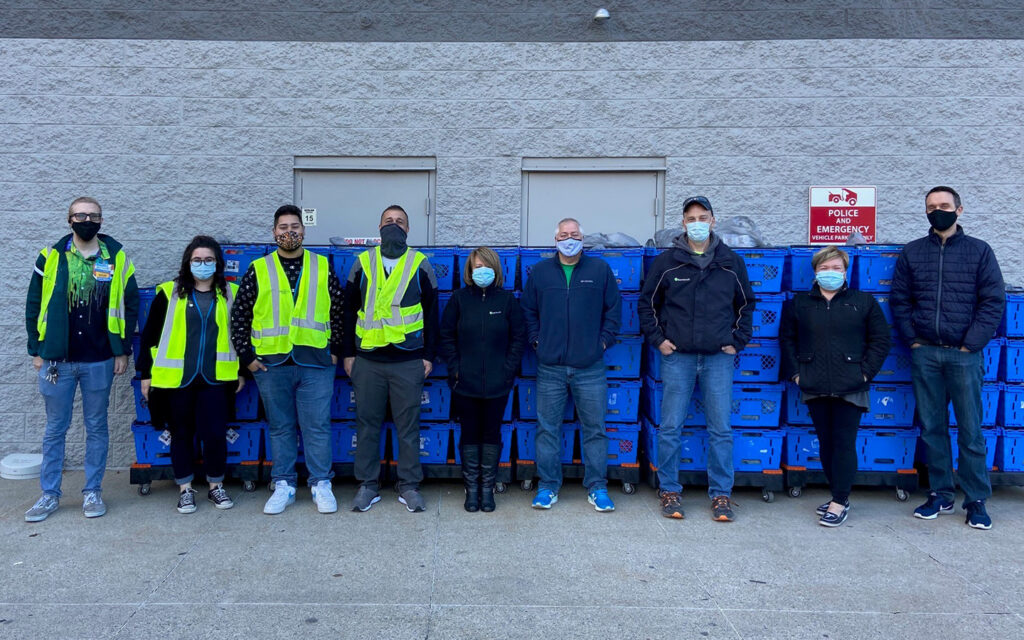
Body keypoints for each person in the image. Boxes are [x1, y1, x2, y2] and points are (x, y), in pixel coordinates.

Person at [891, 186, 1004, 530]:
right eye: (931, 206)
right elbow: (900, 300)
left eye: (944, 205)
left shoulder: (979, 252)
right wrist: (914, 341)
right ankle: (940, 493)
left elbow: (993, 301)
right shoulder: (913, 252)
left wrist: (971, 344)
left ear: (959, 210)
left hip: (963, 356)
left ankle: (976, 499)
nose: (937, 210)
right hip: (926, 353)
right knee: (932, 428)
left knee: (971, 430)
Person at [637, 196, 753, 522]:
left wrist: (737, 341)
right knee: (671, 426)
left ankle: (721, 495)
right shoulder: (668, 262)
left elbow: (746, 304)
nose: (697, 223)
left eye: (703, 217)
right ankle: (670, 490)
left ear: (713, 220)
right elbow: (647, 304)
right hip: (679, 358)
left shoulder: (730, 262)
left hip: (718, 357)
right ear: (683, 223)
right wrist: (659, 340)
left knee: (720, 429)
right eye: (691, 218)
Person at [24, 197, 138, 522]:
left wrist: (122, 350)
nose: (87, 219)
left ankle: (92, 492)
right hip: (56, 361)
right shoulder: (50, 257)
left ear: (101, 220)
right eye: (80, 215)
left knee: (97, 427)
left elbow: (129, 307)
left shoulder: (116, 258)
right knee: (55, 429)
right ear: (69, 219)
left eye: (93, 215)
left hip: (99, 358)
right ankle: (49, 495)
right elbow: (34, 304)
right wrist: (36, 349)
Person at [230, 205, 345, 515]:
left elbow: (338, 311)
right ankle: (284, 485)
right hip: (271, 364)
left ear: (304, 232)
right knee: (281, 427)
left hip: (315, 362)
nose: (289, 231)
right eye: (283, 227)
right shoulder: (258, 268)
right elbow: (240, 315)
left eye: (295, 226)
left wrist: (334, 350)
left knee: (316, 427)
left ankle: (321, 484)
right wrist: (248, 359)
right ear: (274, 232)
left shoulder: (322, 266)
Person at [780, 246, 890, 527]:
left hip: (851, 385)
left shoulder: (862, 302)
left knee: (843, 442)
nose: (831, 273)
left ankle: (840, 501)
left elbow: (880, 340)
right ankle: (837, 495)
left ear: (846, 271)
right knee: (826, 443)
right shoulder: (800, 303)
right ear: (815, 272)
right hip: (814, 382)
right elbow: (787, 340)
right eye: (825, 268)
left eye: (837, 268)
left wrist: (865, 374)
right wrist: (796, 374)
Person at [136, 236, 245, 514]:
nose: (203, 264)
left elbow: (242, 336)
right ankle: (185, 489)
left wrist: (242, 371)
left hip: (216, 379)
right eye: (197, 260)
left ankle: (215, 486)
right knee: (181, 434)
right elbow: (150, 336)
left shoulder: (231, 293)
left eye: (209, 259)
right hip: (176, 381)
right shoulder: (168, 293)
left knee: (215, 435)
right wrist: (145, 375)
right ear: (188, 263)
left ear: (218, 263)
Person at [343, 205, 440, 513]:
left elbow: (432, 315)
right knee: (367, 425)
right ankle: (367, 486)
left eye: (400, 222)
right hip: (368, 360)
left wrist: (428, 356)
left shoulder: (420, 264)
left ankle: (409, 485)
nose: (394, 226)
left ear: (408, 230)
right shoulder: (362, 263)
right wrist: (347, 353)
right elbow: (346, 312)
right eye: (389, 221)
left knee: (408, 427)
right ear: (379, 227)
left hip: (408, 361)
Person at [521, 218, 621, 512]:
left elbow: (614, 311)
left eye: (574, 234)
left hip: (589, 367)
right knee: (547, 429)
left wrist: (601, 343)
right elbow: (528, 311)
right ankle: (548, 487)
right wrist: (537, 342)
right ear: (555, 239)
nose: (569, 239)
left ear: (582, 238)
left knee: (595, 429)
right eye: (564, 235)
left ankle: (597, 487)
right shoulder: (540, 273)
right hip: (550, 367)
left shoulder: (599, 270)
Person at [439, 247, 525, 512]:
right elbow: (447, 336)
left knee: (491, 434)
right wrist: (455, 368)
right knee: (469, 434)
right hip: (465, 384)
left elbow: (518, 338)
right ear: (470, 270)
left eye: (486, 266)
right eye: (477, 266)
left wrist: (507, 370)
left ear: (496, 269)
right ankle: (471, 488)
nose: (482, 270)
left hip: (498, 385)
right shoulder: (459, 299)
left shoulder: (507, 301)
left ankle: (487, 489)